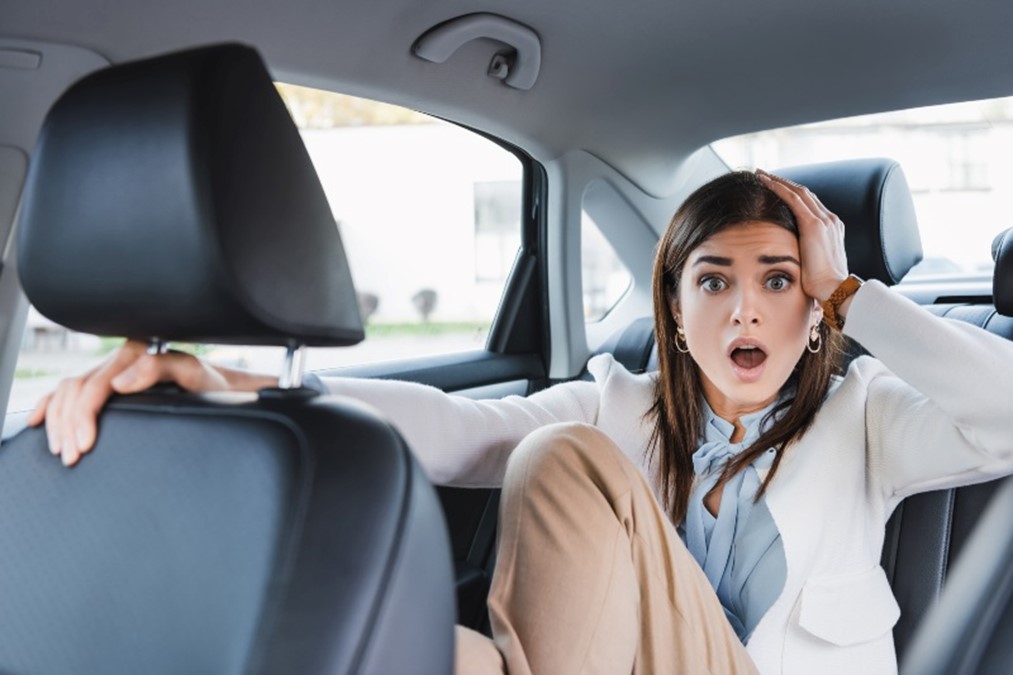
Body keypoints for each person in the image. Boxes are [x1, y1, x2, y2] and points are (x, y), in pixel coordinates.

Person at [30, 170, 1013, 674]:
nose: (744, 311)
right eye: (712, 281)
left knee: (557, 454)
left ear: (811, 313)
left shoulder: (867, 419)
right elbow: (453, 433)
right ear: (673, 310)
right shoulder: (616, 405)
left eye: (777, 282)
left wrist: (854, 291)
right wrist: (231, 386)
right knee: (399, 641)